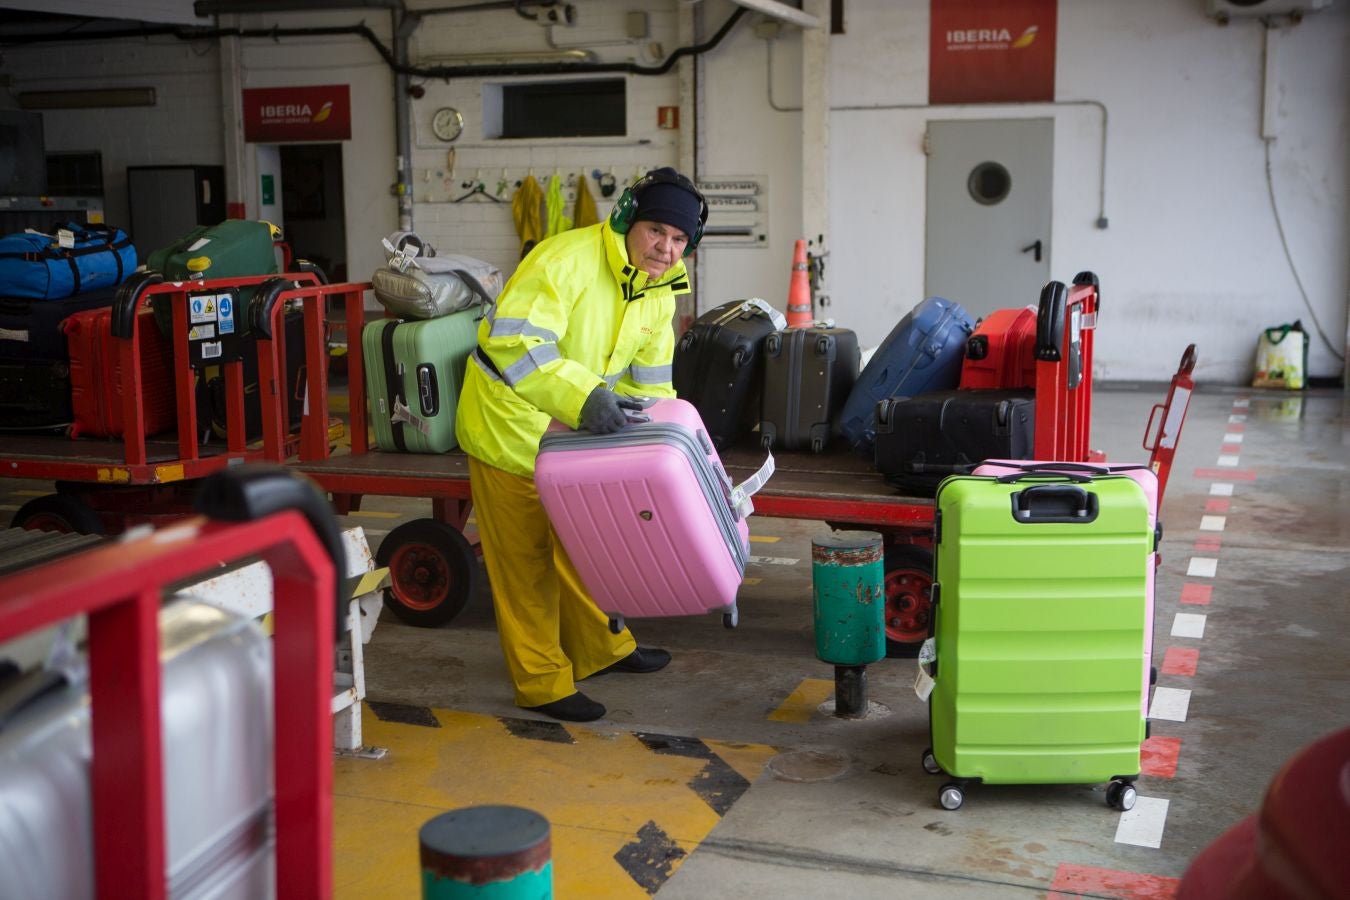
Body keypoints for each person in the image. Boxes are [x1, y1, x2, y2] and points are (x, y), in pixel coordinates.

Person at [455, 167, 709, 722]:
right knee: (526, 562)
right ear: (626, 221)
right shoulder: (562, 260)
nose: (666, 249)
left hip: (575, 431)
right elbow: (513, 342)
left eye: (679, 239)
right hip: (511, 426)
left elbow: (651, 384)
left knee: (584, 545)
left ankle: (602, 647)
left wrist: (656, 451)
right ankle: (542, 681)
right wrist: (584, 397)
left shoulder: (659, 291)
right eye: (656, 232)